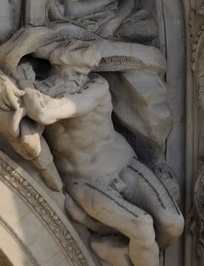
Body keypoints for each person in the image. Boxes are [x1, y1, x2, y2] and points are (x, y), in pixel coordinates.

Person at [20, 38, 183, 266]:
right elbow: (42, 114)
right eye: (77, 71)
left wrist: (24, 84)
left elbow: (46, 112)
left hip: (123, 164)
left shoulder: (95, 87)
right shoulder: (40, 89)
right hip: (85, 181)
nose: (82, 77)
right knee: (143, 227)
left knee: (173, 223)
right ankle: (125, 249)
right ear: (58, 65)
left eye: (87, 71)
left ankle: (120, 249)